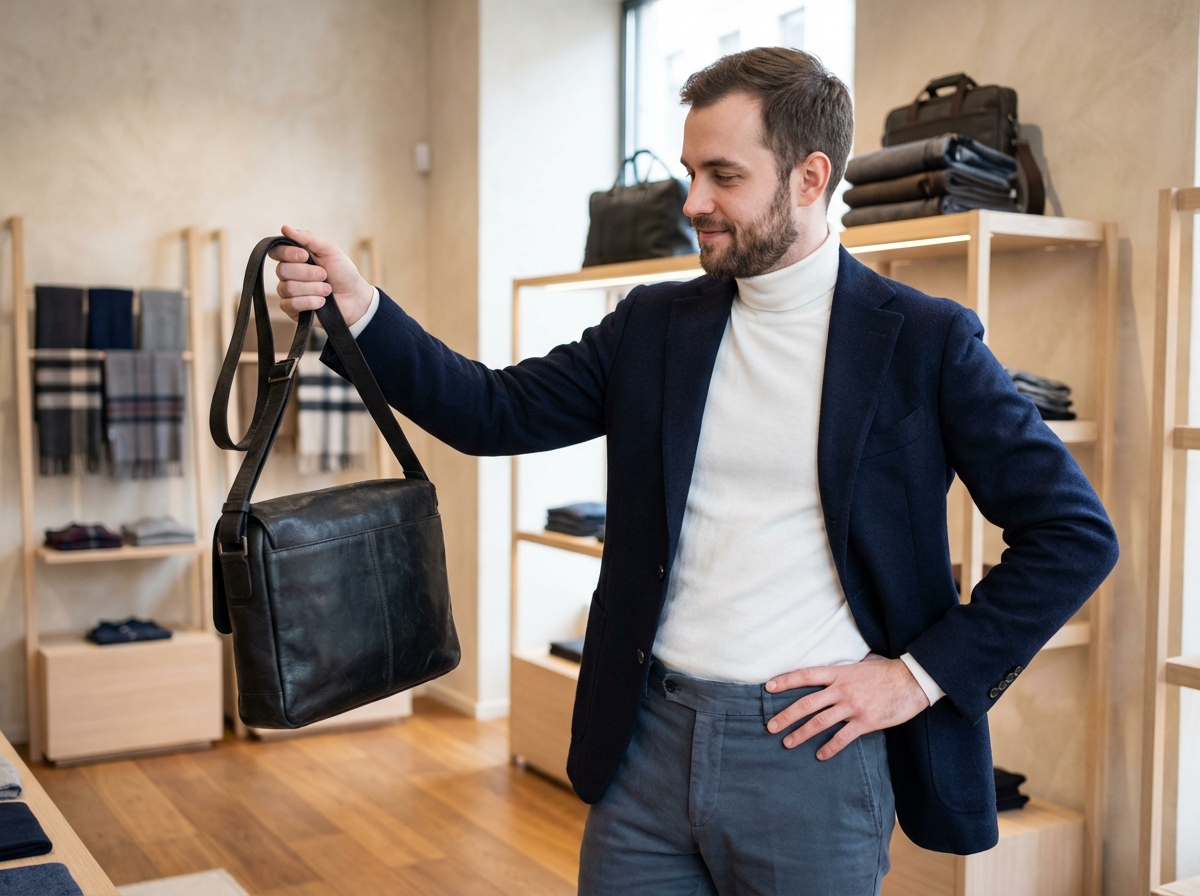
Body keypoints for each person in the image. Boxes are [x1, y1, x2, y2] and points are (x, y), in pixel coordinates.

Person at [270, 47, 1118, 896]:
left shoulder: (926, 341)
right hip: (645, 744)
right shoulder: (653, 323)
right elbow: (490, 411)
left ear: (810, 178)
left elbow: (1073, 535)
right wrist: (360, 311)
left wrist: (916, 679)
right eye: (691, 173)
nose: (693, 203)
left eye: (724, 176)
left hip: (812, 763)